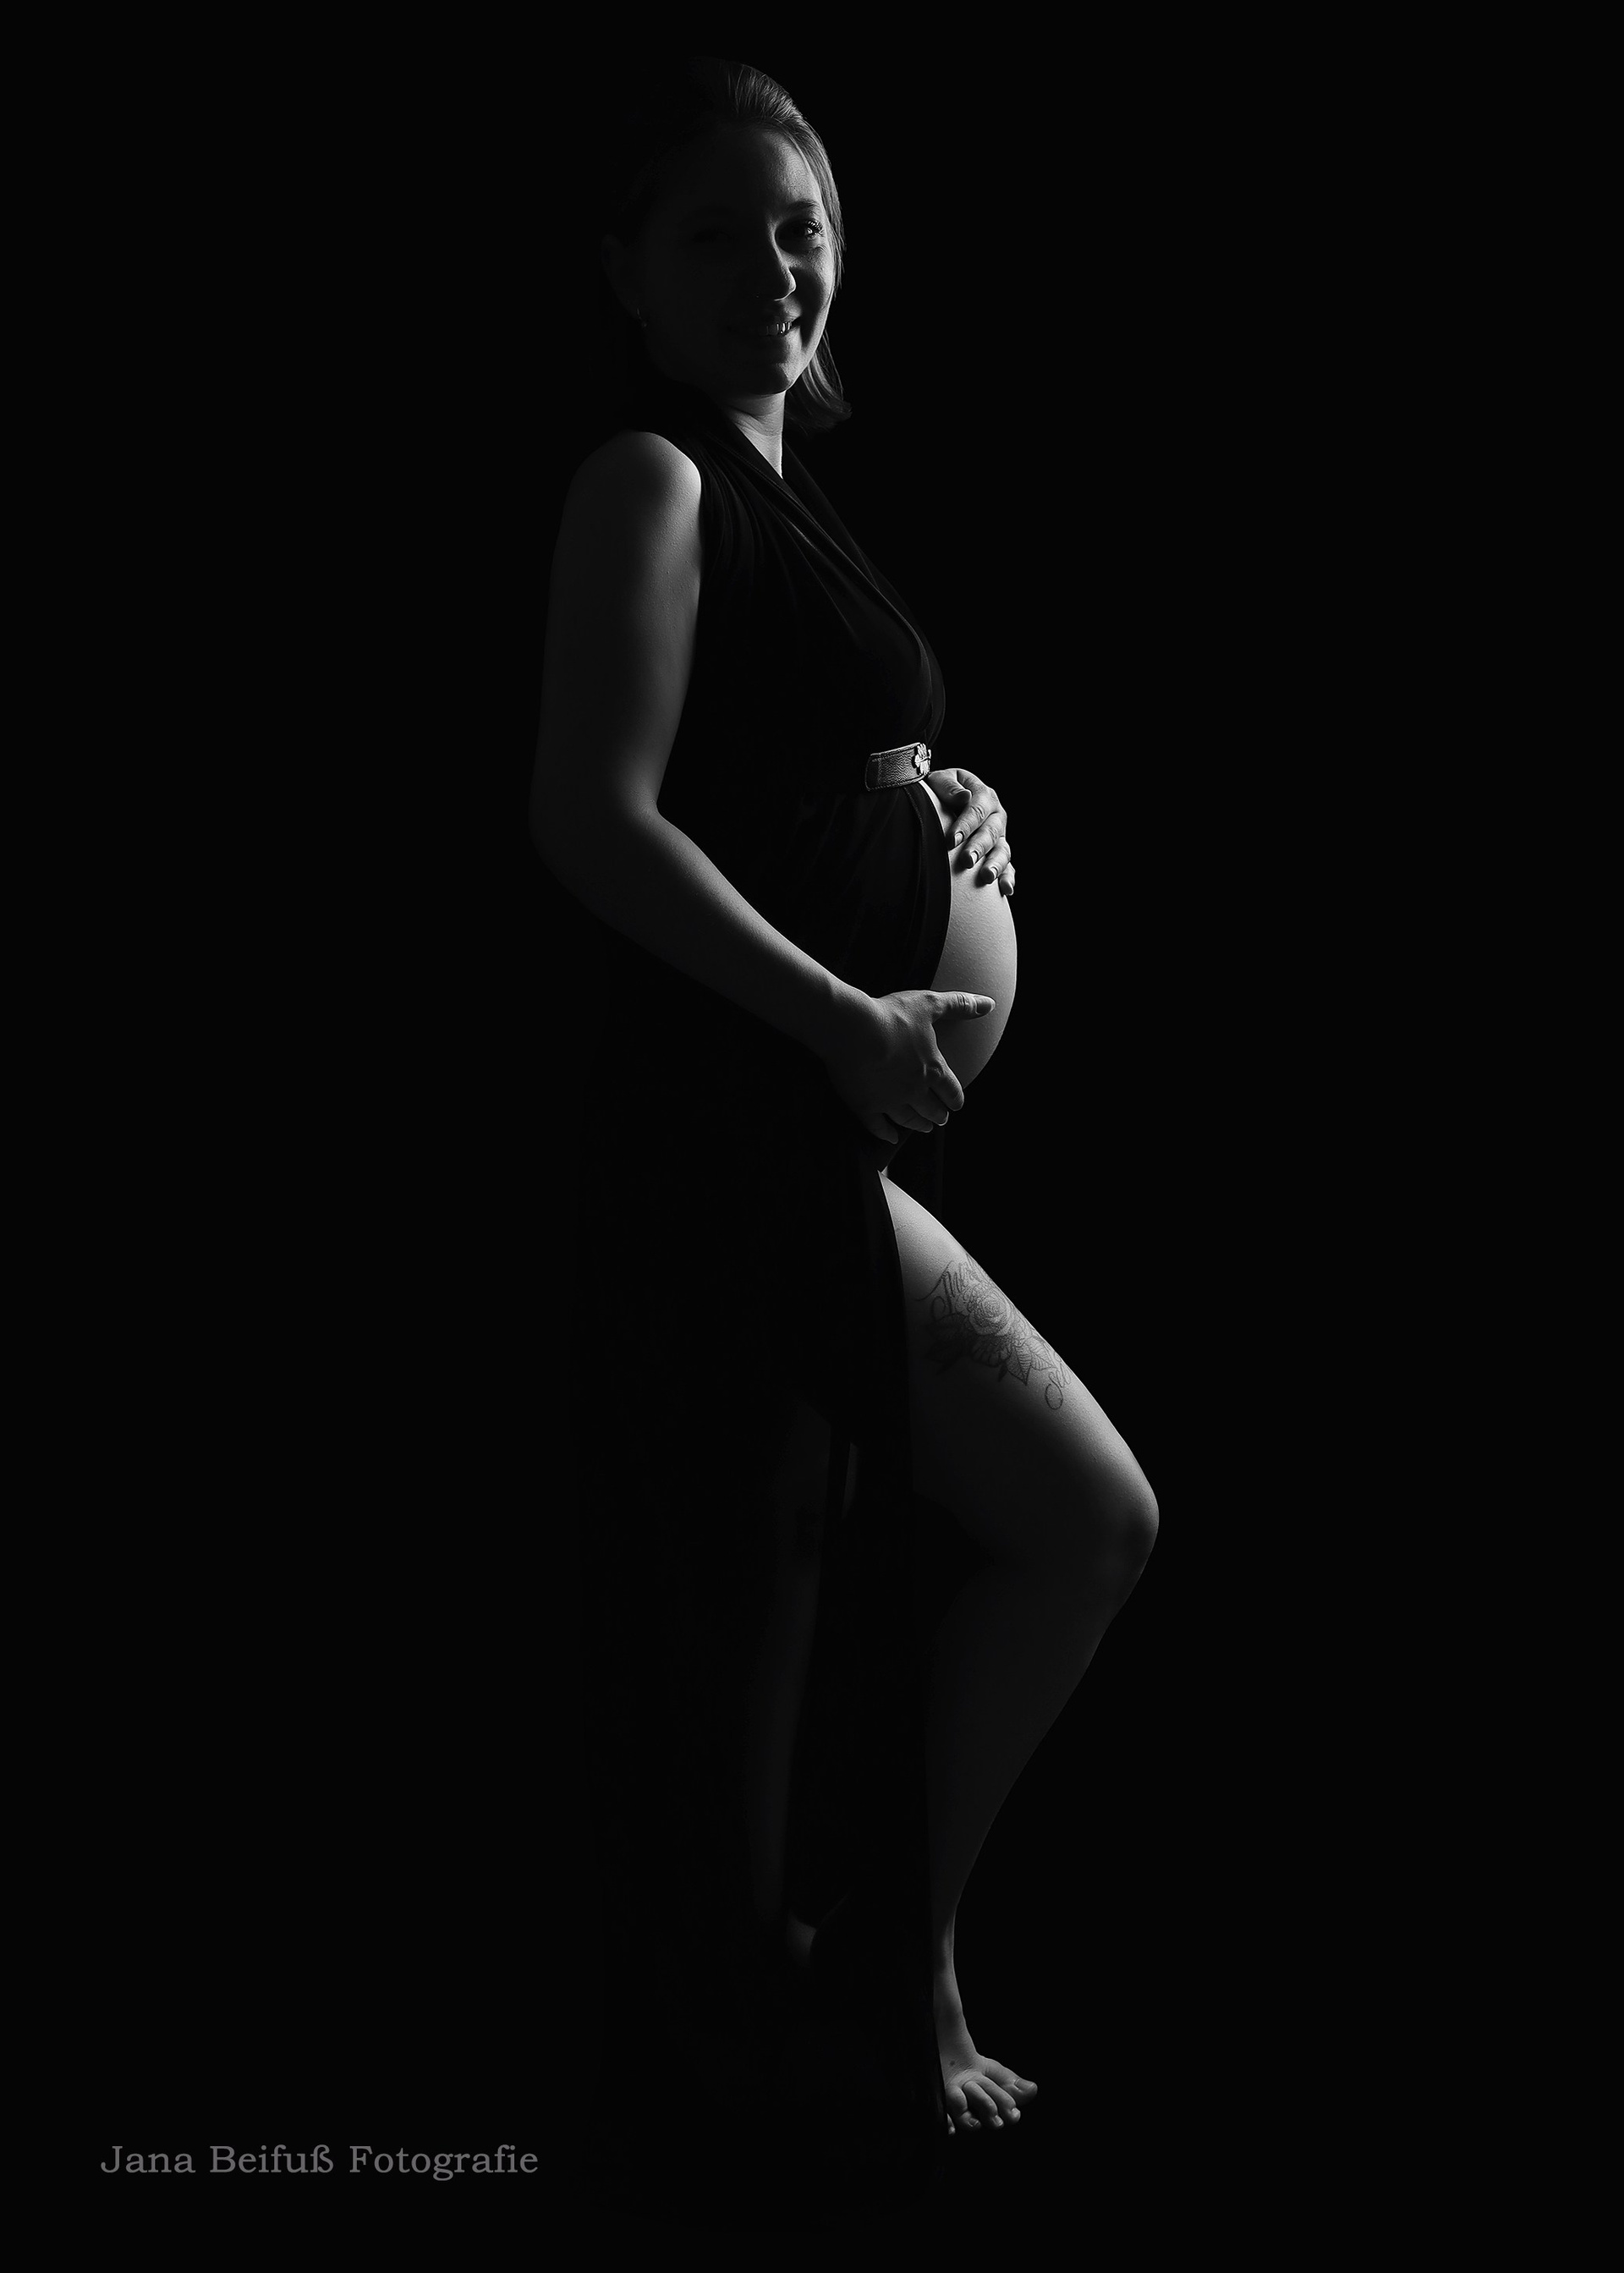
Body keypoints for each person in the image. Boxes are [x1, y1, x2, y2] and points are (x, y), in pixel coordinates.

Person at [535, 56, 1159, 2232]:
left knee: (1043, 1534)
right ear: (628, 270)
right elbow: (591, 817)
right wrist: (850, 1014)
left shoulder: (787, 498)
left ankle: (900, 1965)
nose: (771, 269)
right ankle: (864, 2012)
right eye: (713, 231)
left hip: (814, 1145)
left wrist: (943, 802)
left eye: (799, 226)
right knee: (782, 1658)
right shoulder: (649, 474)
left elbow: (798, 762)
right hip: (730, 1140)